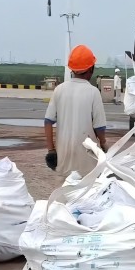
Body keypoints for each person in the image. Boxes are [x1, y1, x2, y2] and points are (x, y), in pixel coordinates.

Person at [45, 44, 109, 177]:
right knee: (88, 188)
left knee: (64, 188)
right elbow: (99, 128)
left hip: (63, 157)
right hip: (87, 159)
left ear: (72, 69)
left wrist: (51, 150)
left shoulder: (59, 90)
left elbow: (48, 122)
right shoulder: (93, 92)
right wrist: (104, 145)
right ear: (91, 68)